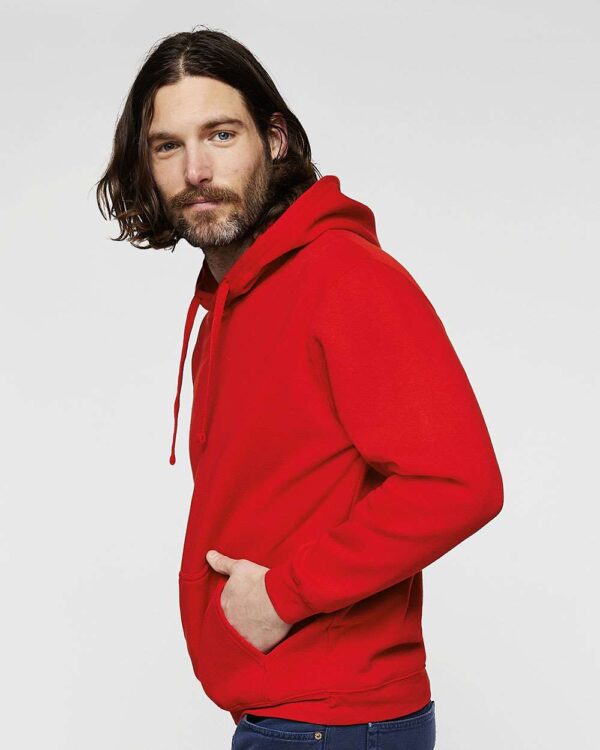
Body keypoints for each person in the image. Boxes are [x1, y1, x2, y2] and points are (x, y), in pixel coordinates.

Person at [96, 26, 503, 750]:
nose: (196, 169)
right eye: (167, 146)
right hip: (293, 715)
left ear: (275, 140)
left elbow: (459, 484)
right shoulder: (230, 305)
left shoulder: (346, 280)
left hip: (331, 722)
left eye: (221, 134)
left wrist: (284, 596)